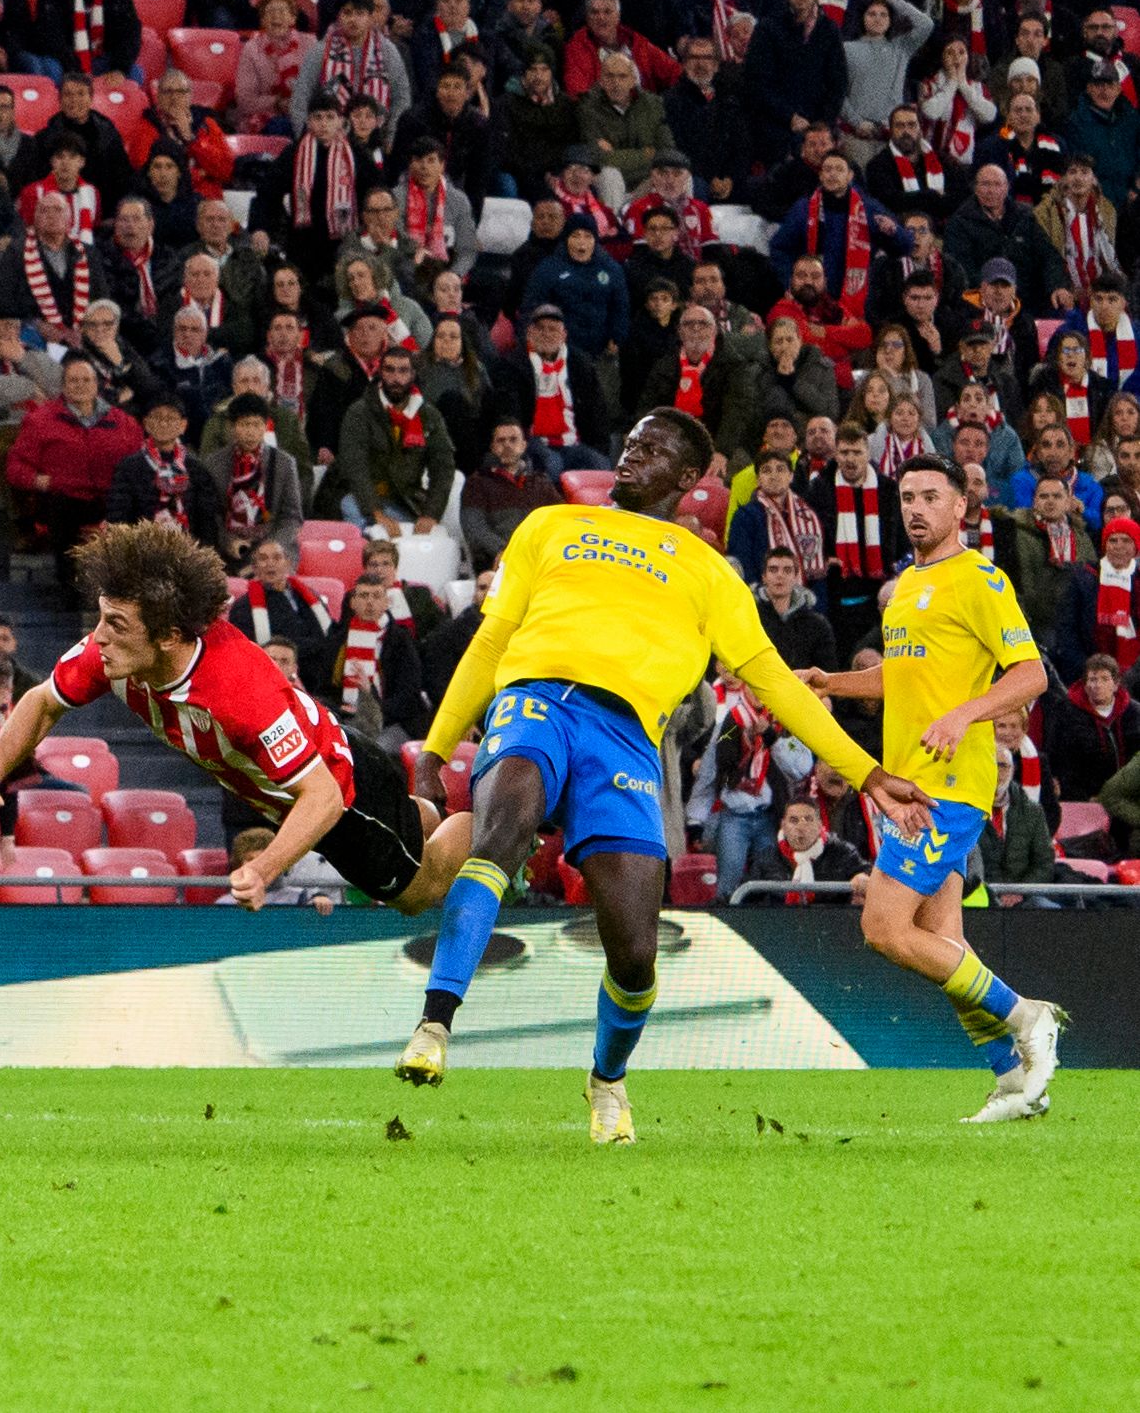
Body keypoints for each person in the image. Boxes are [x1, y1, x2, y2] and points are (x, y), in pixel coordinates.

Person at [401, 409, 937, 1142]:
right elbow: (492, 637)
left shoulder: (709, 572)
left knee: (634, 950)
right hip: (533, 701)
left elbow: (776, 684)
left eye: (650, 450)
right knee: (500, 832)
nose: (630, 455)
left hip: (624, 738)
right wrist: (433, 750)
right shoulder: (549, 525)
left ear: (688, 479)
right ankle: (435, 1021)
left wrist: (866, 771)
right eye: (627, 444)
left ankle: (607, 1080)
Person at [0, 522, 471, 921]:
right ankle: (422, 815)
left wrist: (264, 869)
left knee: (413, 896)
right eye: (103, 617)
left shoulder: (235, 691)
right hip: (290, 787)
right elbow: (41, 701)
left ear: (169, 635)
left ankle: (492, 819)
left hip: (345, 790)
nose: (97, 637)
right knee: (410, 832)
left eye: (116, 624)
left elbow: (324, 797)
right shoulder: (116, 651)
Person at [795, 455, 1069, 1123]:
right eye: (905, 496)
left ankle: (1026, 1015)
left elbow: (1029, 673)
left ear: (959, 509)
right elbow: (904, 676)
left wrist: (963, 713)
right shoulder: (907, 586)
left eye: (928, 496)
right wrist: (832, 682)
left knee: (883, 926)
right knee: (940, 939)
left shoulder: (979, 577)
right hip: (909, 784)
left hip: (950, 785)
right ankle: (1009, 1079)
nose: (914, 507)